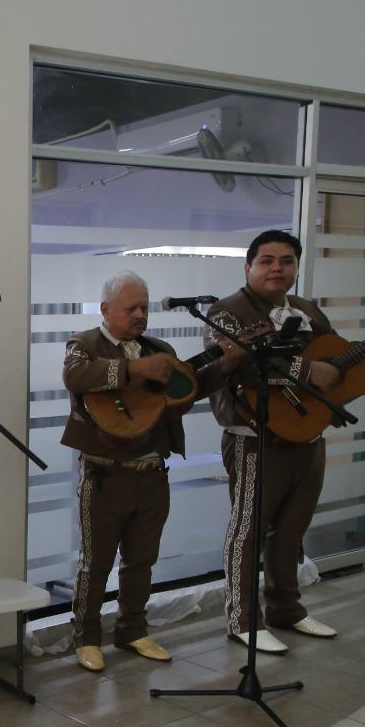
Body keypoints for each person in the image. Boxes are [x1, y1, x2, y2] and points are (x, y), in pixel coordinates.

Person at [206, 230, 365, 653]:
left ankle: (286, 609)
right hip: (255, 437)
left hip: (307, 433)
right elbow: (238, 367)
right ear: (248, 266)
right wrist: (309, 371)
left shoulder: (307, 311)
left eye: (287, 261)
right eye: (267, 260)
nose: (277, 268)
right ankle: (242, 619)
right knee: (248, 531)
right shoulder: (227, 311)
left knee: (292, 530)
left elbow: (341, 361)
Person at [61, 271, 243, 672]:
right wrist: (135, 370)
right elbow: (74, 376)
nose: (140, 315)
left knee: (141, 559)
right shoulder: (84, 343)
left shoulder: (160, 350)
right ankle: (86, 637)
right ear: (106, 309)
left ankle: (132, 630)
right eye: (131, 308)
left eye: (144, 307)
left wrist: (223, 368)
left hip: (152, 473)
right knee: (95, 563)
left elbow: (180, 395)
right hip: (103, 476)